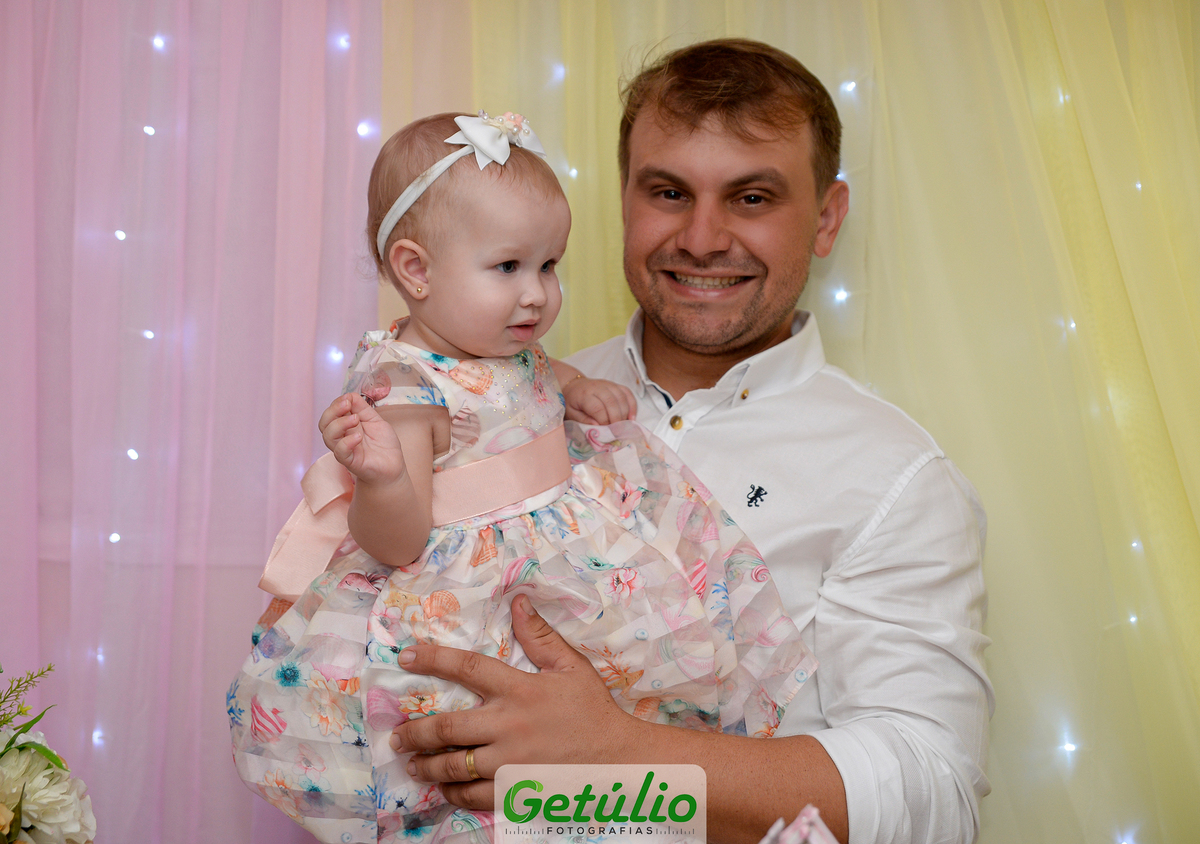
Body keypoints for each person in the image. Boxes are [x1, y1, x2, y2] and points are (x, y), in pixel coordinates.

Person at [386, 39, 994, 844]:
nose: (703, 238)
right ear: (626, 199)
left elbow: (932, 794)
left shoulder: (894, 475)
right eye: (669, 192)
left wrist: (619, 763)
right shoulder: (487, 394)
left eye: (752, 197)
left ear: (827, 218)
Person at [228, 109, 816, 844]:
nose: (537, 293)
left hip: (559, 560)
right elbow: (396, 540)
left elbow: (531, 377)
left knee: (636, 693)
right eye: (509, 267)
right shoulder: (404, 387)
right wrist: (379, 479)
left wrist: (575, 386)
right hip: (475, 594)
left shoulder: (502, 345)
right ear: (416, 270)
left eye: (548, 266)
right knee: (487, 763)